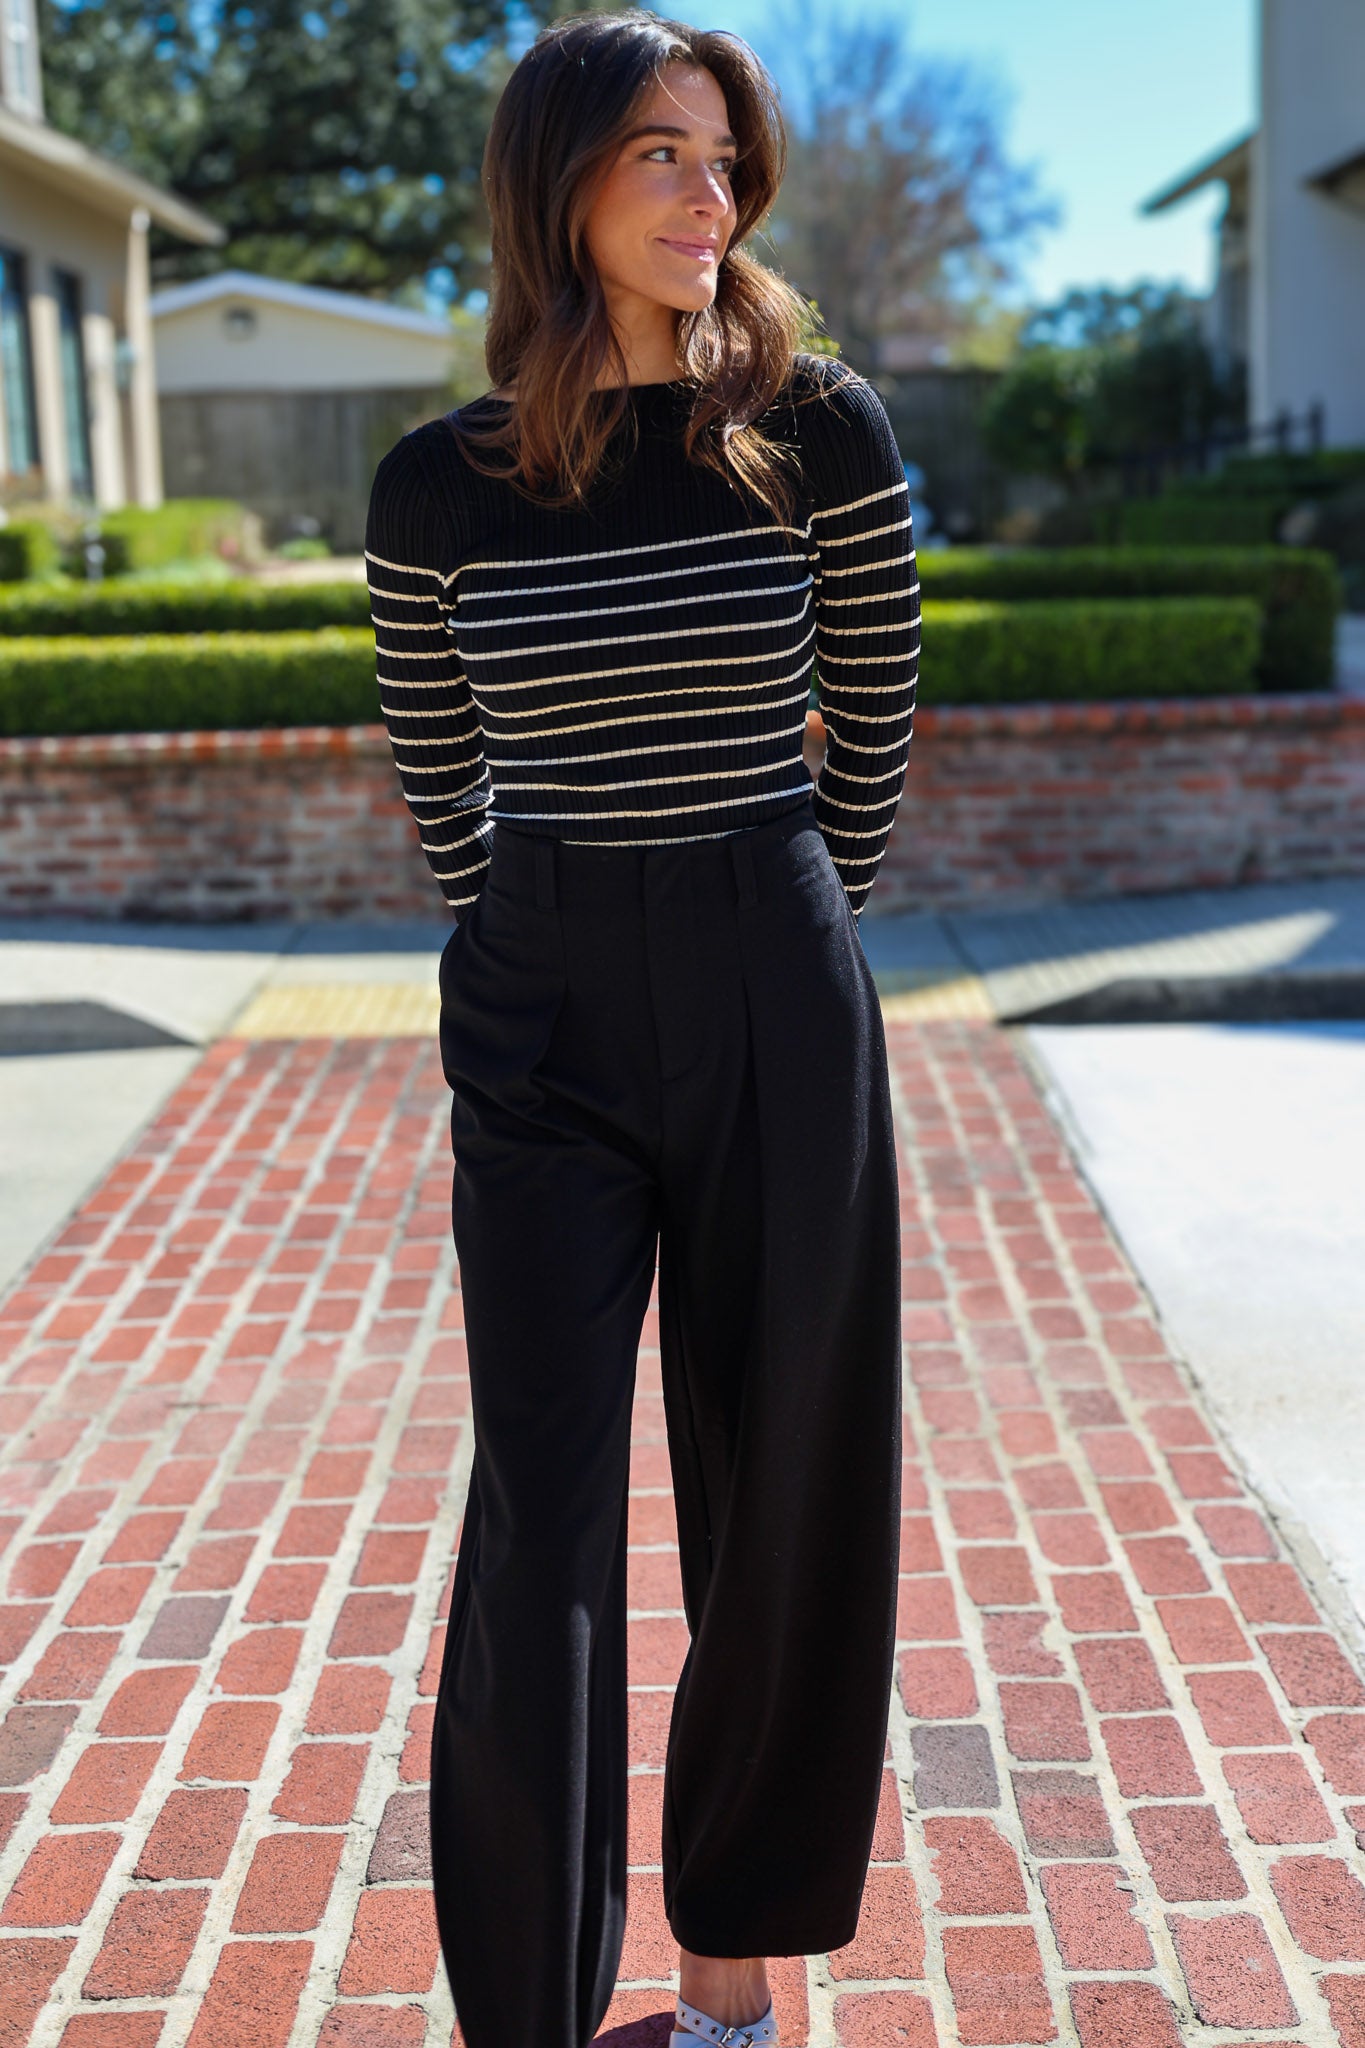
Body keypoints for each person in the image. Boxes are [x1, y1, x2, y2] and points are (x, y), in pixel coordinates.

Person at [363, 13, 919, 2046]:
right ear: (558, 183)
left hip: (772, 957)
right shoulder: (436, 484)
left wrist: (779, 916)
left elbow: (874, 726)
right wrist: (544, 927)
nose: (711, 195)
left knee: (781, 1483)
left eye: (723, 157)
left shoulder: (815, 427)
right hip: (542, 999)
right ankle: (524, 2002)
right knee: (539, 1501)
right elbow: (439, 772)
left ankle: (727, 1974)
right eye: (660, 154)